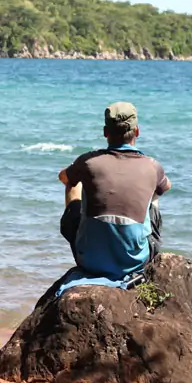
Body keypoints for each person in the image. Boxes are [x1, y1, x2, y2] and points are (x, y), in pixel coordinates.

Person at [58, 101, 171, 280]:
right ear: (137, 131)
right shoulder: (152, 165)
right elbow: (167, 186)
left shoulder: (88, 161)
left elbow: (63, 177)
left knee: (74, 183)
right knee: (155, 192)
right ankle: (134, 243)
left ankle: (93, 241)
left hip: (89, 261)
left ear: (105, 132)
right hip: (136, 261)